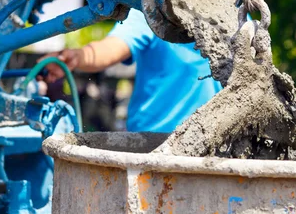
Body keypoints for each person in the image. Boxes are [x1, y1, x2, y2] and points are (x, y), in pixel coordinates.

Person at [41, 8, 221, 133]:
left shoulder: (236, 14)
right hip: (155, 140)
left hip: (218, 140)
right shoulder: (153, 10)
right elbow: (113, 47)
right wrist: (78, 57)